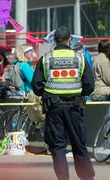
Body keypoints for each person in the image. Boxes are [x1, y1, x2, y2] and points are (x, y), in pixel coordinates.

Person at [31, 26, 95, 180]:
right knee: (79, 145)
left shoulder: (46, 59)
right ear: (69, 40)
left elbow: (36, 85)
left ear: (54, 40)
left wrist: (49, 92)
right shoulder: (80, 58)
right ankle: (87, 178)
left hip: (54, 109)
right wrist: (78, 93)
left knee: (58, 147)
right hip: (74, 107)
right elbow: (89, 85)